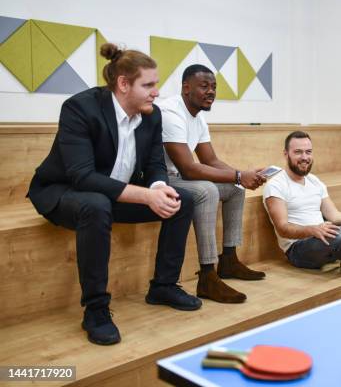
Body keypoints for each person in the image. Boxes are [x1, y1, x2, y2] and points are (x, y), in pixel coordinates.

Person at [27, 44, 201, 346]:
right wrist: (145, 197)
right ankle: (95, 310)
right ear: (123, 84)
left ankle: (163, 285)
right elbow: (82, 176)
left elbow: (155, 164)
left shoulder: (151, 115)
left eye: (156, 84)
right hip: (66, 192)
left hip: (114, 196)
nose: (156, 92)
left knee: (181, 199)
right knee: (95, 205)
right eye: (148, 85)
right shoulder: (80, 108)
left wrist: (159, 189)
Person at [159, 64, 266, 304]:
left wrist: (244, 176)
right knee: (206, 191)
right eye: (204, 86)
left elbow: (210, 160)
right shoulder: (170, 113)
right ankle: (207, 275)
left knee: (235, 189)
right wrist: (239, 175)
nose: (211, 92)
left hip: (180, 178)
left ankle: (228, 259)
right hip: (160, 180)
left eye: (214, 87)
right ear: (186, 88)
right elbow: (189, 168)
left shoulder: (197, 117)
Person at [263, 131, 341, 279]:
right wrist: (312, 230)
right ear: (286, 154)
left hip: (325, 237)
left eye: (308, 152)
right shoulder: (276, 185)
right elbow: (283, 229)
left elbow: (335, 216)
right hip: (299, 249)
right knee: (338, 236)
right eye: (298, 152)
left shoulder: (314, 181)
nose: (304, 157)